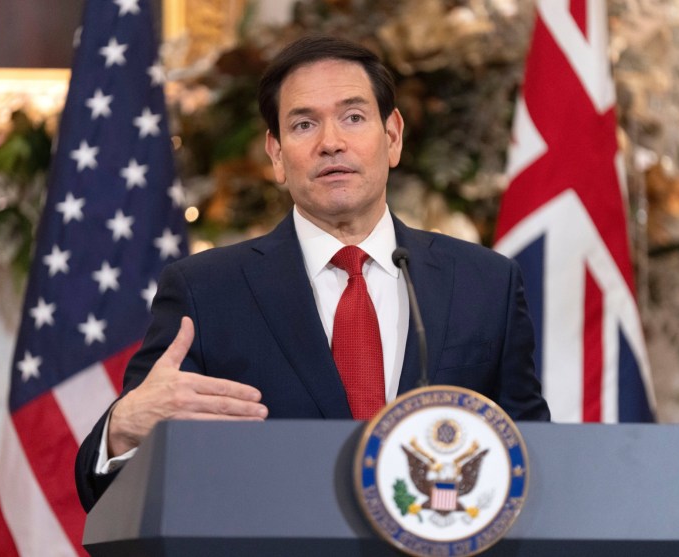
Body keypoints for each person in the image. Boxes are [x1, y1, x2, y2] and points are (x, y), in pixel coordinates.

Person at [75, 34, 550, 512]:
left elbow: (536, 463)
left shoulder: (485, 283)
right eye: (303, 125)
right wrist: (122, 428)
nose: (331, 143)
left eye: (353, 117)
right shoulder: (205, 291)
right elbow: (112, 496)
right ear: (277, 155)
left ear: (392, 137)